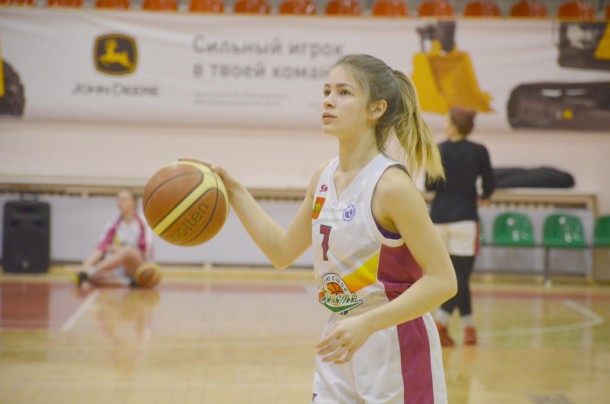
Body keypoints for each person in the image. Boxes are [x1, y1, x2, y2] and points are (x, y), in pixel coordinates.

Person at [196, 54, 457, 403]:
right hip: (340, 335)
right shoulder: (323, 176)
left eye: (344, 92)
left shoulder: (391, 186)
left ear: (376, 109)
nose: (329, 101)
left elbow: (443, 281)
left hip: (395, 341)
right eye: (326, 91)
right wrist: (235, 191)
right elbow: (281, 251)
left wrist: (368, 323)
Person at [426, 106, 495, 347]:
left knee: (455, 277)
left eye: (447, 121)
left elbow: (429, 184)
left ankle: (469, 328)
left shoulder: (438, 149)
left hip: (438, 219)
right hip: (465, 219)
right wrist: (484, 196)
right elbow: (489, 183)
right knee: (461, 275)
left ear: (454, 126)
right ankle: (441, 323)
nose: (445, 125)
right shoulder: (479, 150)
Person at [73, 189, 154, 287]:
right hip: (120, 266)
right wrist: (84, 266)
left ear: (133, 202)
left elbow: (145, 253)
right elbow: (101, 247)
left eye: (124, 200)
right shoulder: (113, 224)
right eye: (118, 200)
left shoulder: (143, 223)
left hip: (139, 266)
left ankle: (90, 272)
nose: (120, 203)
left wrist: (120, 250)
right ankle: (128, 282)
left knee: (128, 252)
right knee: (96, 277)